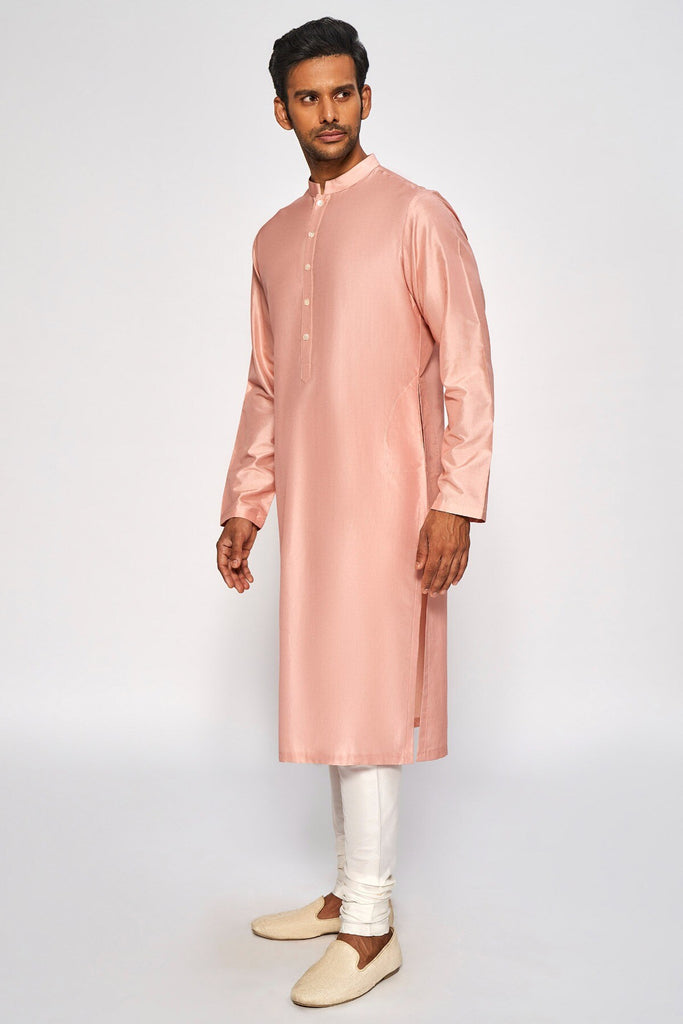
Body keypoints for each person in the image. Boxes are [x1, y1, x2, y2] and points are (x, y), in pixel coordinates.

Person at [216, 16, 494, 1008]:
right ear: (281, 111)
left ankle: (372, 927)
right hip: (313, 509)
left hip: (393, 502)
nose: (327, 112)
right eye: (308, 97)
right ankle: (347, 893)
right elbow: (266, 386)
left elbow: (467, 367)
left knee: (372, 701)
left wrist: (455, 500)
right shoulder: (271, 238)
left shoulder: (416, 213)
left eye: (342, 92)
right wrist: (245, 505)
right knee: (334, 691)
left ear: (365, 99)